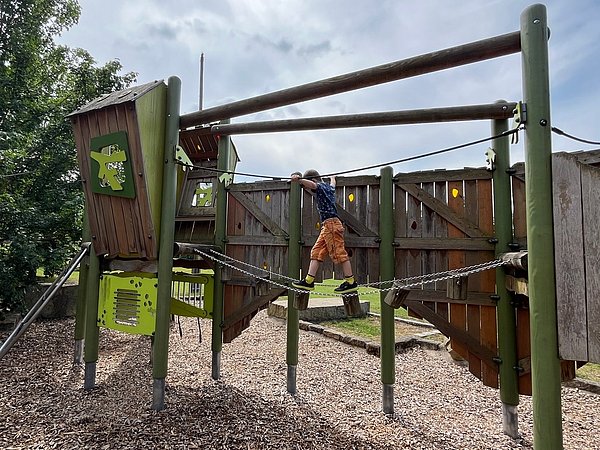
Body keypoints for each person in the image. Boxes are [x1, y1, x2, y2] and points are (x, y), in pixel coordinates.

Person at [290, 169, 358, 294]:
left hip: (331, 225)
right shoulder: (329, 188)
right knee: (316, 252)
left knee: (339, 253)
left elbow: (312, 185)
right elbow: (333, 184)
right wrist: (333, 177)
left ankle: (350, 282)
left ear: (314, 180)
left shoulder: (320, 187)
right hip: (327, 226)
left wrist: (299, 179)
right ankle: (309, 281)